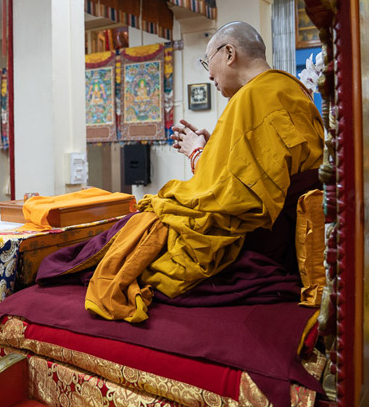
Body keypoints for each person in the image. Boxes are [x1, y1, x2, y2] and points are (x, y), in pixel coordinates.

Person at [39, 22, 324, 322]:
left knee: (137, 227)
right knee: (133, 228)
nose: (209, 74)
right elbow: (265, 169)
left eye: (207, 61)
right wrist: (213, 148)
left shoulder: (253, 97)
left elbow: (231, 198)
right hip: (281, 229)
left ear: (229, 53)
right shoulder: (292, 90)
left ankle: (58, 267)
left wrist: (196, 152)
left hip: (256, 239)